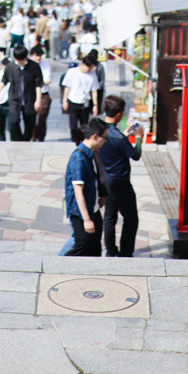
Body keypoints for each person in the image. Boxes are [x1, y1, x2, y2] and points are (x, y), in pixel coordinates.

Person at [98, 95, 143, 257]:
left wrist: (124, 136)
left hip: (105, 181)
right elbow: (135, 155)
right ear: (119, 114)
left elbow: (114, 142)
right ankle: (126, 251)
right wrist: (138, 138)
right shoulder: (118, 138)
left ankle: (110, 250)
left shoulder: (100, 130)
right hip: (120, 183)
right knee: (131, 218)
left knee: (109, 218)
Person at [64, 117, 109, 257]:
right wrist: (87, 219)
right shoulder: (79, 158)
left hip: (93, 208)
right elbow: (78, 192)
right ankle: (58, 266)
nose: (106, 141)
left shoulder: (92, 153)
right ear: (95, 136)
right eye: (104, 138)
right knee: (82, 244)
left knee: (94, 246)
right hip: (81, 213)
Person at [0, 45, 42, 142]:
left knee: (30, 124)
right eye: (18, 60)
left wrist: (38, 100)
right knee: (13, 122)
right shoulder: (11, 66)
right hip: (14, 99)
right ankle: (19, 140)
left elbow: (38, 84)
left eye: (22, 60)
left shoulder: (34, 66)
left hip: (29, 99)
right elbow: (4, 80)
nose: (20, 63)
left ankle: (25, 141)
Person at [62, 55, 100, 144]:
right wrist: (64, 101)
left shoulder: (92, 75)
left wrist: (95, 105)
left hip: (85, 104)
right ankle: (73, 141)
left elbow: (94, 91)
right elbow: (67, 87)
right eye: (90, 67)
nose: (91, 69)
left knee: (85, 126)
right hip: (73, 102)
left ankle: (83, 142)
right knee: (73, 126)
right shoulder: (72, 72)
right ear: (84, 64)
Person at [29, 45, 52, 142]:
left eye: (40, 56)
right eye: (35, 55)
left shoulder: (45, 65)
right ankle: (33, 136)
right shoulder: (28, 65)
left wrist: (35, 81)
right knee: (31, 117)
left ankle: (41, 137)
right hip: (31, 94)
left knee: (42, 117)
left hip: (43, 94)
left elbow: (47, 80)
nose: (38, 58)